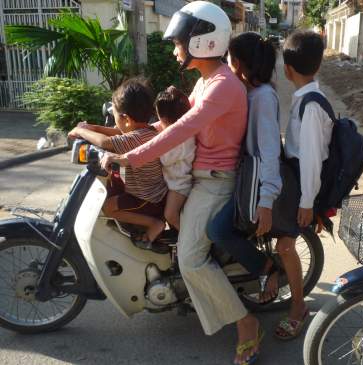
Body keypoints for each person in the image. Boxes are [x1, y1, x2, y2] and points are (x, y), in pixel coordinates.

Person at [100, 2, 263, 364]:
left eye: (178, 43)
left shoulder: (222, 86)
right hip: (196, 177)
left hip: (215, 182)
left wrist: (130, 157)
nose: (174, 49)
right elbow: (167, 125)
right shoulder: (206, 81)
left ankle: (246, 323)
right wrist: (117, 137)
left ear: (202, 42)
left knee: (190, 261)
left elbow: (180, 132)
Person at [206, 32, 282, 305]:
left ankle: (266, 267)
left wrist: (266, 200)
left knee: (218, 230)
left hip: (254, 182)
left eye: (228, 58)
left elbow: (271, 150)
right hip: (239, 175)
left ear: (237, 62)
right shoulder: (247, 92)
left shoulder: (262, 97)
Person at [274, 30, 332, 340]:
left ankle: (298, 307)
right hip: (296, 182)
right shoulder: (305, 100)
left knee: (285, 246)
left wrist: (307, 202)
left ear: (287, 69)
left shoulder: (311, 106)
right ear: (318, 66)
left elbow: (310, 159)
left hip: (302, 186)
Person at [68, 78, 168, 248]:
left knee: (108, 207)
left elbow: (107, 142)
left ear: (126, 119)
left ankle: (154, 224)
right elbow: (117, 132)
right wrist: (91, 127)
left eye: (115, 116)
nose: (115, 122)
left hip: (146, 200)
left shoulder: (136, 138)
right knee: (113, 186)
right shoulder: (146, 131)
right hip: (149, 194)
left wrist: (79, 130)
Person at [155, 86, 196, 230]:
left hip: (179, 185)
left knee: (170, 215)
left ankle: (187, 235)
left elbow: (164, 159)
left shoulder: (179, 139)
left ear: (164, 119)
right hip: (174, 182)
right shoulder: (182, 131)